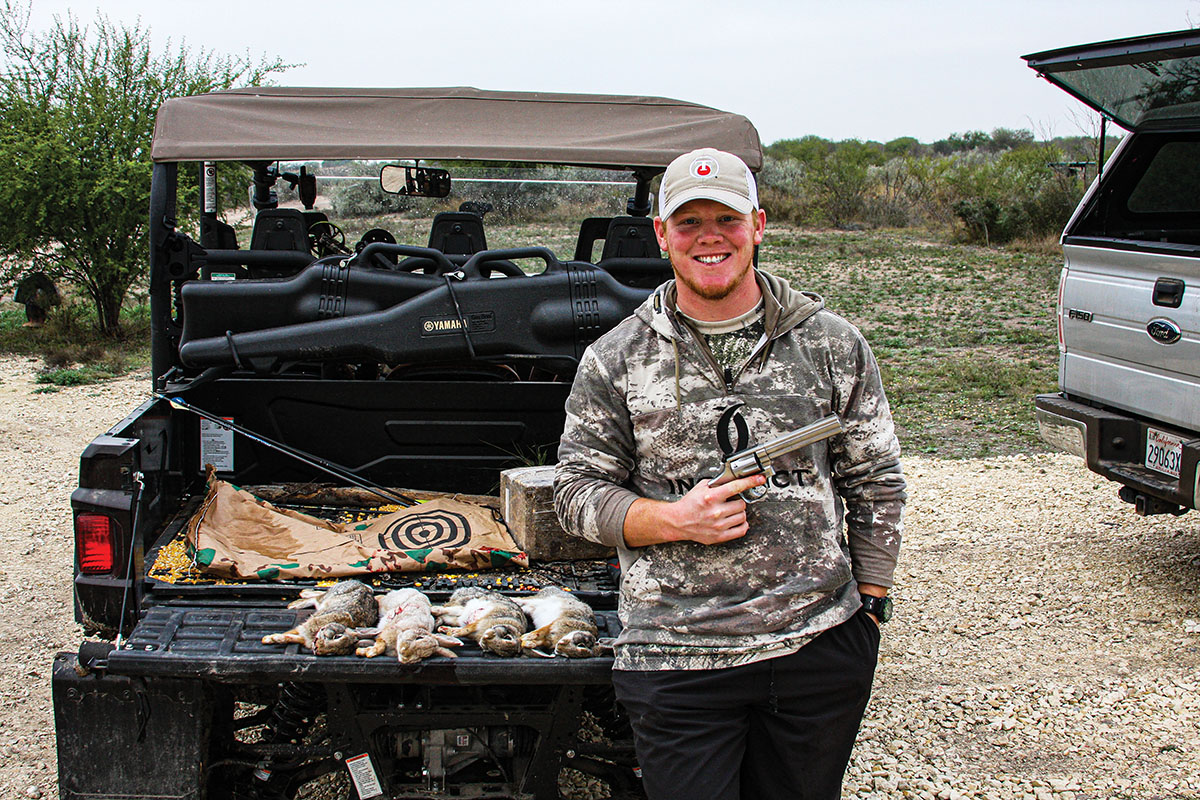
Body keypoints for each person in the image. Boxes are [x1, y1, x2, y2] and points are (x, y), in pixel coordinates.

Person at [554, 148, 906, 800]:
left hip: (817, 647)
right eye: (689, 222)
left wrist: (870, 606)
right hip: (674, 653)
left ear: (758, 226)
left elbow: (876, 479)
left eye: (727, 219)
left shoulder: (833, 344)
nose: (709, 237)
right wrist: (673, 520)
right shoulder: (615, 358)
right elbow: (574, 493)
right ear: (662, 235)